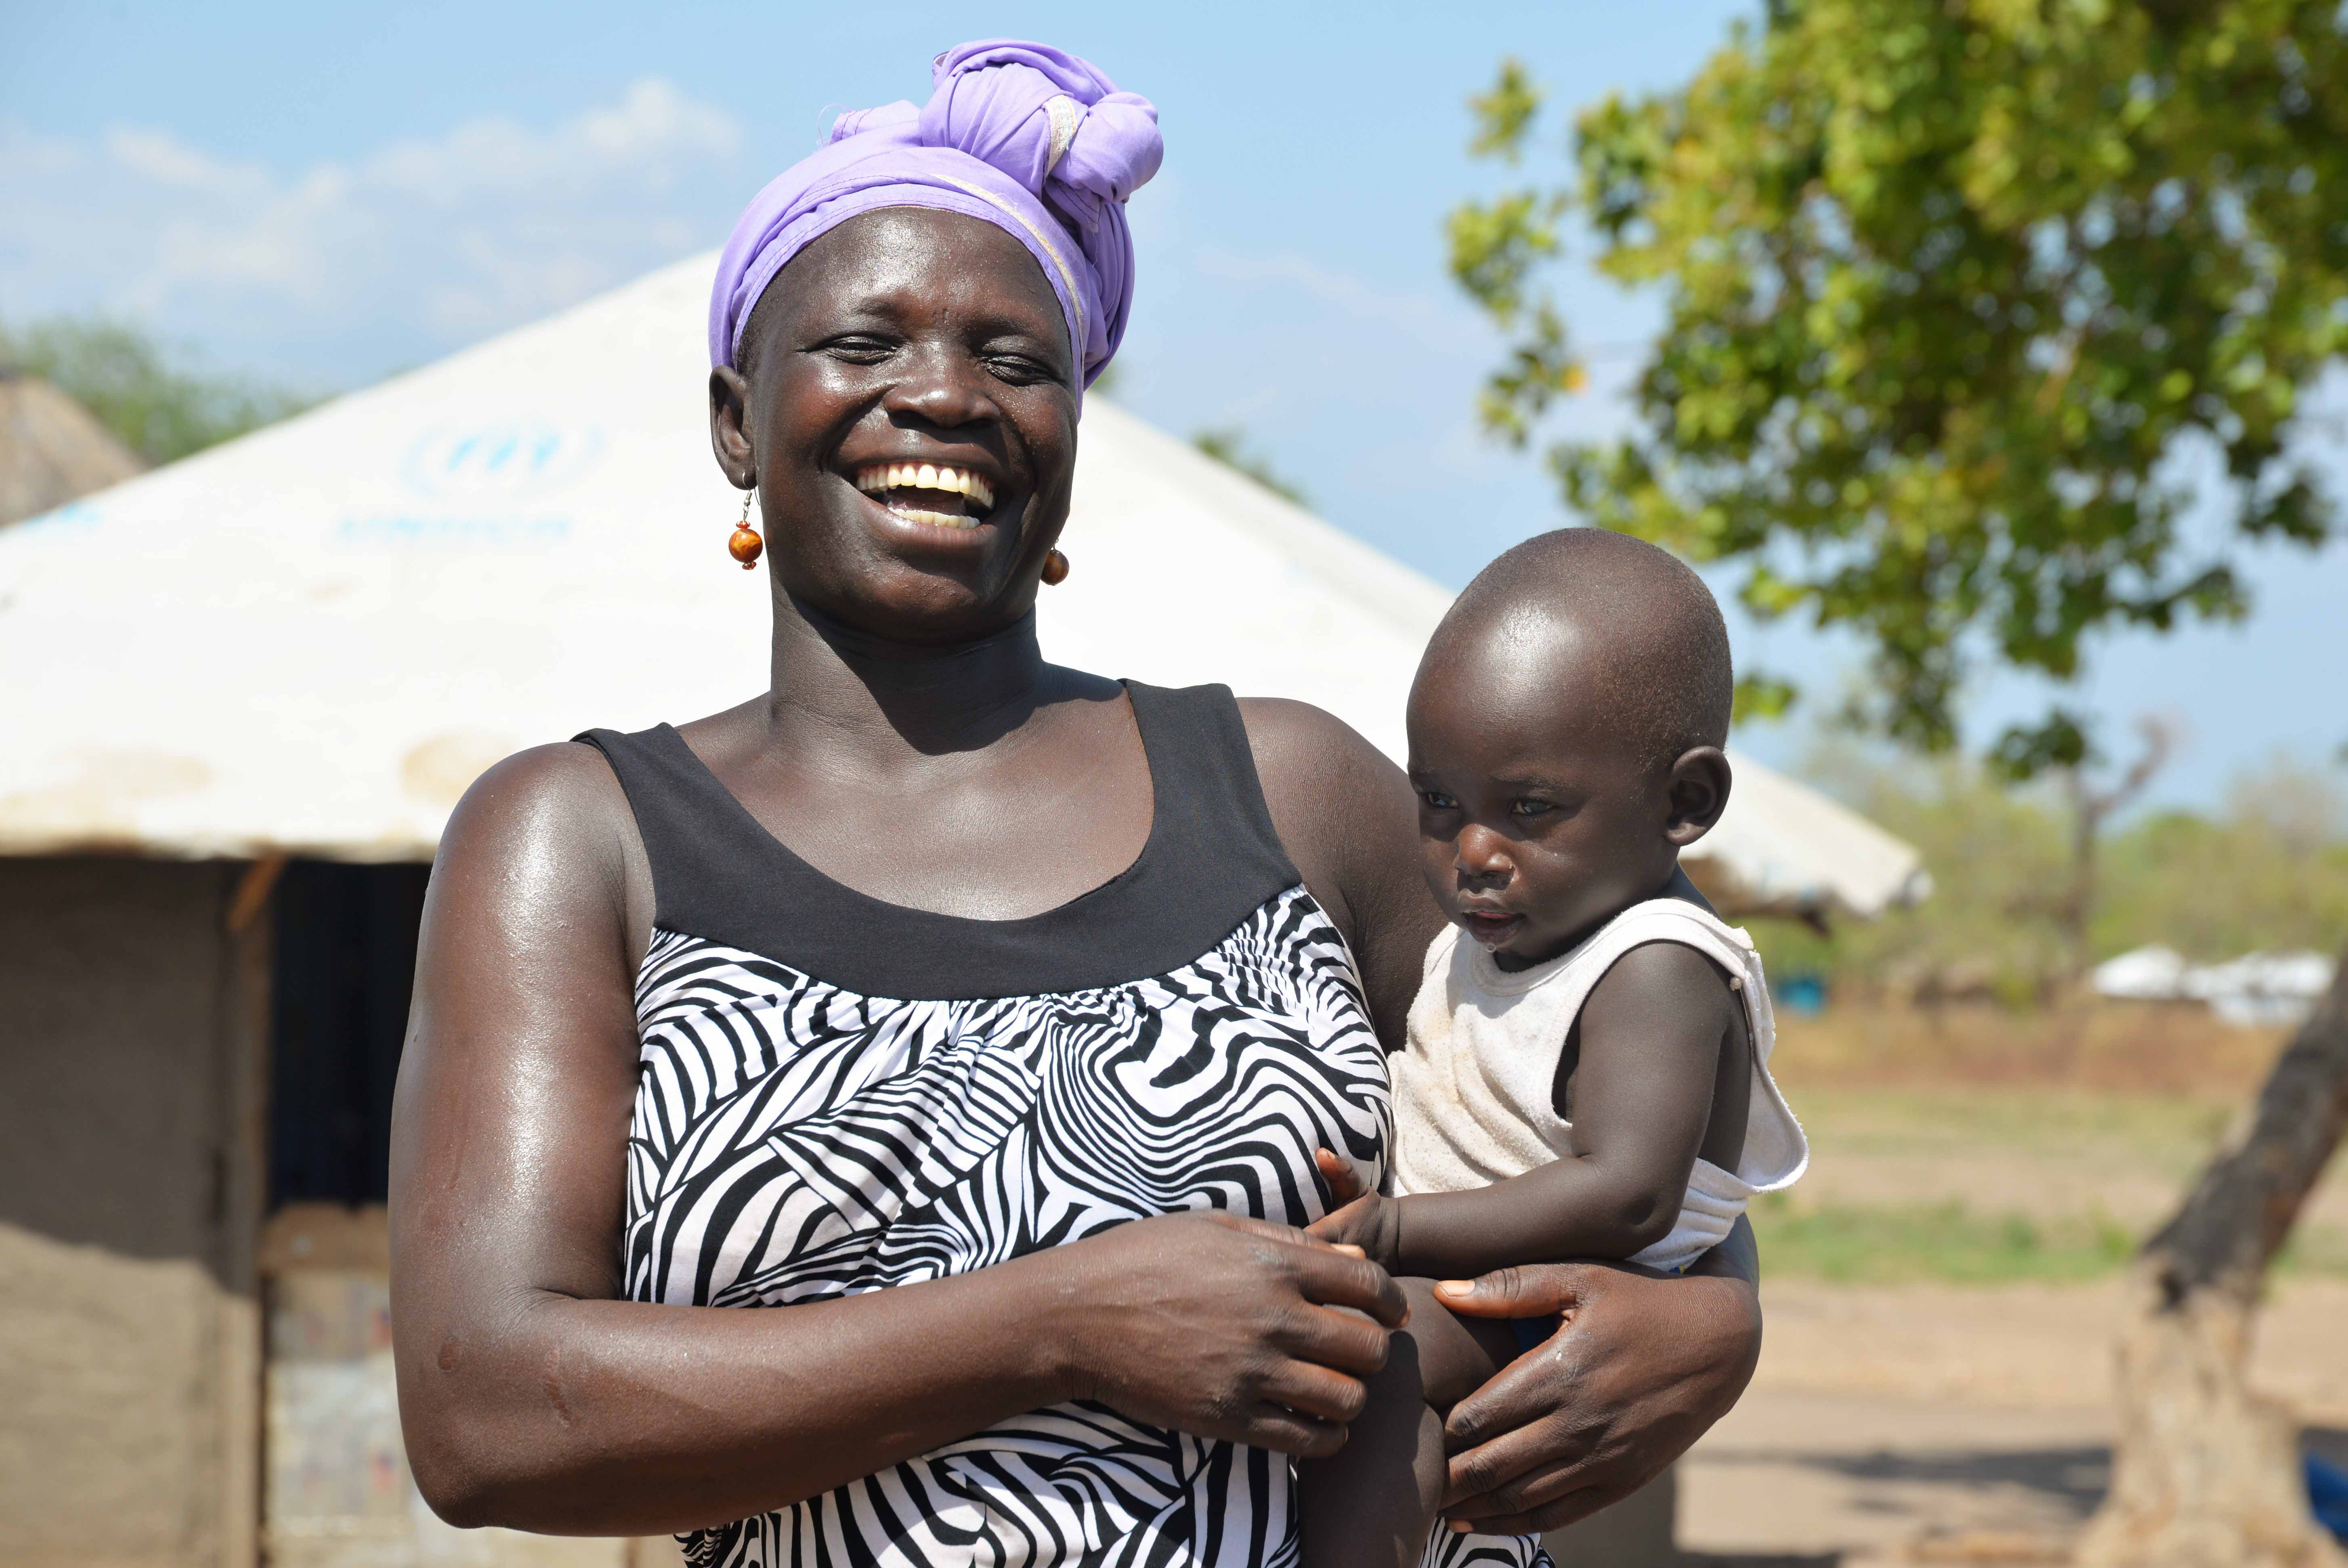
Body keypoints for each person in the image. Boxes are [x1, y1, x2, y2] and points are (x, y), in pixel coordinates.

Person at [387, 41, 1765, 1568]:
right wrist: (1058, 1324)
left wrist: (1717, 1313)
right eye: (864, 340)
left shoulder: (1289, 793)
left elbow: (1607, 1090)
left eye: (1016, 359)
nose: (942, 395)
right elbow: (484, 1414)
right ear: (736, 418)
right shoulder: (584, 845)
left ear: (1069, 437)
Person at [1297, 531, 1809, 1568]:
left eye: (1528, 810)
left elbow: (1627, 1197)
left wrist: (1397, 1228)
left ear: (1685, 804)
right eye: (1438, 802)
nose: (1472, 852)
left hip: (1552, 1306)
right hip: (1480, 1270)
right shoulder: (1527, 926)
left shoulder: (1656, 964)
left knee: (1383, 1366)